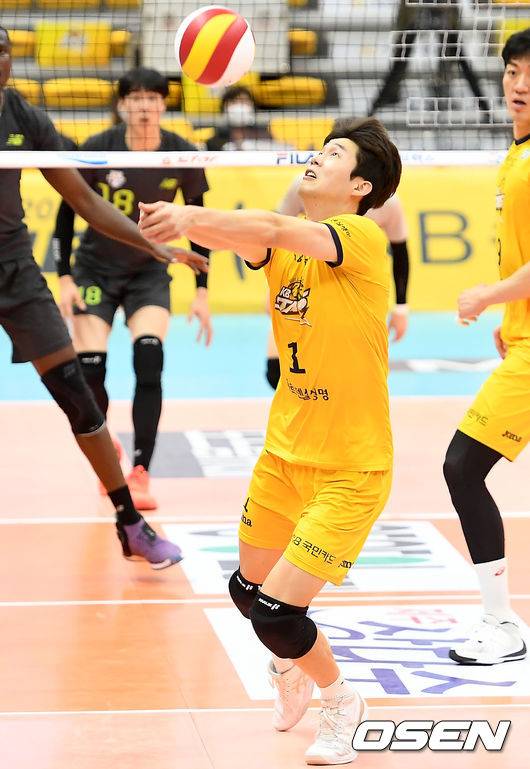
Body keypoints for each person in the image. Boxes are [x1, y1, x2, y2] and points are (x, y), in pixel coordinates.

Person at [138, 117, 402, 765]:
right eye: (321, 148)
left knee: (278, 612)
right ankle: (289, 667)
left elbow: (271, 228)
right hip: (284, 456)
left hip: (350, 467)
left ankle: (341, 700)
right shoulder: (287, 248)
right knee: (247, 591)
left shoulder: (360, 236)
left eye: (333, 154)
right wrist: (185, 225)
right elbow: (249, 236)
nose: (317, 157)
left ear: (360, 185)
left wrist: (186, 214)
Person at [0, 27, 207, 568]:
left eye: (4, 50)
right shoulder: (94, 137)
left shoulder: (23, 117)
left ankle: (130, 521)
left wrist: (155, 246)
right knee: (92, 373)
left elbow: (84, 200)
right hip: (88, 270)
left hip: (16, 271)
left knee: (77, 393)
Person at [53, 66, 212, 511]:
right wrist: (63, 276)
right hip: (95, 271)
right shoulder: (97, 149)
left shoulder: (182, 154)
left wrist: (202, 290)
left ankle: (140, 471)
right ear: (122, 105)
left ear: (164, 104)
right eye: (136, 98)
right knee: (89, 372)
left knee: (149, 359)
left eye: (153, 98)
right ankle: (109, 450)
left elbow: (199, 222)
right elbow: (67, 213)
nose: (145, 106)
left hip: (148, 273)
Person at [444, 28, 530, 665]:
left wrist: (488, 296)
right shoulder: (516, 153)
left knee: (463, 466)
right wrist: (512, 312)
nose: (519, 85)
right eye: (512, 71)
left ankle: (501, 624)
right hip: (523, 334)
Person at [265, 166, 410, 388]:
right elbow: (275, 230)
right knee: (277, 372)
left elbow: (401, 254)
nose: (319, 160)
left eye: (336, 154)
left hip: (354, 293)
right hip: (304, 279)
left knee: (345, 376)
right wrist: (273, 287)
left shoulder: (388, 203)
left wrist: (401, 307)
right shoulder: (304, 185)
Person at [370, 0, 489, 117]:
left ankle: (443, 87)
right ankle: (390, 94)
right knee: (403, 50)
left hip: (438, 11)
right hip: (420, 9)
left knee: (450, 47)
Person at [206, 85, 289, 151]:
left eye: (243, 101)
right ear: (224, 107)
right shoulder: (215, 139)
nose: (239, 105)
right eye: (234, 101)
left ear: (252, 105)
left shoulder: (264, 134)